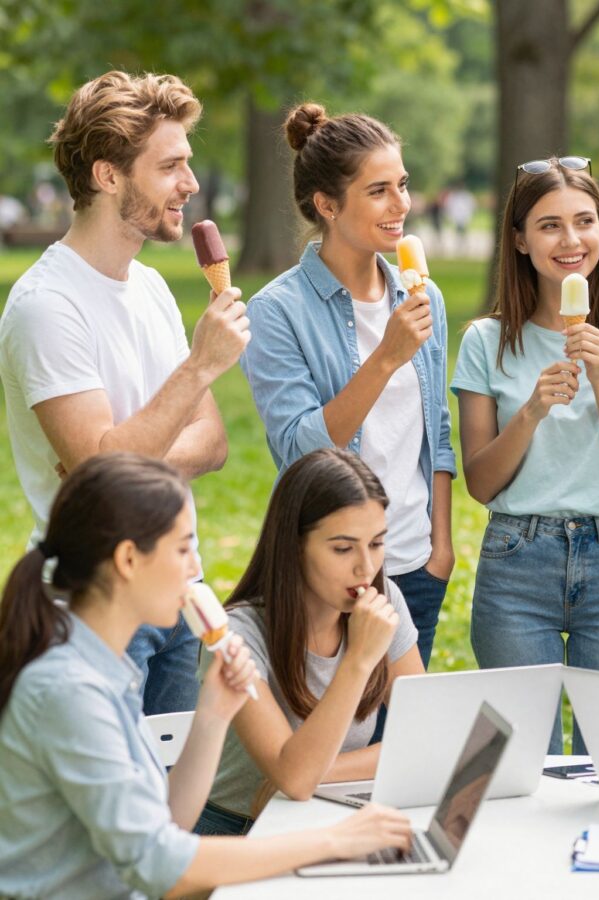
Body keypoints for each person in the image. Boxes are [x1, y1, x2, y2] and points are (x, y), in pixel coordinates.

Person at [0, 453, 413, 898]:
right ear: (127, 559)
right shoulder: (69, 692)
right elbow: (162, 865)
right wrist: (335, 841)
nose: (195, 569)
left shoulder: (108, 668)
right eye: (182, 549)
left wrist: (213, 716)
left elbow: (167, 822)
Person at [0, 71, 249, 714]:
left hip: (179, 592)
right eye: (170, 167)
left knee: (184, 800)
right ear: (108, 176)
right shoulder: (46, 307)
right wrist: (197, 369)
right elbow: (100, 471)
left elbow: (213, 443)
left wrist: (119, 466)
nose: (190, 186)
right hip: (99, 604)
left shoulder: (152, 289)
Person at [452, 156, 599, 753]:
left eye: (585, 221)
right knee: (523, 759)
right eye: (549, 225)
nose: (571, 240)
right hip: (516, 560)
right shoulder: (486, 341)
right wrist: (530, 411)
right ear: (521, 240)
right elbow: (480, 481)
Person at [240, 102, 456, 667]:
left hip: (415, 562)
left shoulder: (422, 296)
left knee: (407, 742)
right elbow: (299, 450)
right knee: (345, 741)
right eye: (378, 190)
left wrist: (442, 547)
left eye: (403, 186)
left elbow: (437, 429)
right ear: (327, 206)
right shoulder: (277, 312)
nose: (401, 205)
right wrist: (385, 357)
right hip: (332, 575)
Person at [196, 448, 424, 835]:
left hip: (332, 812)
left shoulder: (383, 602)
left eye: (376, 544)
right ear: (293, 546)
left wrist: (323, 772)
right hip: (238, 830)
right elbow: (297, 778)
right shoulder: (238, 634)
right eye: (342, 548)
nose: (366, 568)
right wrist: (359, 661)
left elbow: (427, 737)